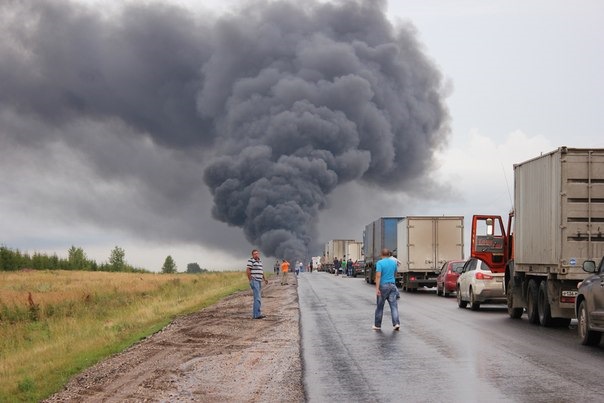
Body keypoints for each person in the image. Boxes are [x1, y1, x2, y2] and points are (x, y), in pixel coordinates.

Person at [373, 248, 401, 331]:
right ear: (389, 254)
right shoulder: (393, 263)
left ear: (381, 254)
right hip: (392, 286)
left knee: (380, 307)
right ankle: (396, 323)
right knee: (394, 306)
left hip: (383, 286)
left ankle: (377, 325)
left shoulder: (380, 263)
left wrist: (377, 289)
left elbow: (378, 276)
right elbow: (395, 273)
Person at [247, 249, 268, 320]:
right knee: (258, 298)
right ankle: (257, 315)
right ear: (252, 255)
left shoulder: (260, 261)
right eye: (254, 254)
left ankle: (255, 315)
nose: (256, 255)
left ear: (258, 254)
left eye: (257, 253)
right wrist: (250, 280)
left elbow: (261, 271)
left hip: (259, 281)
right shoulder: (251, 260)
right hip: (254, 280)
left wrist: (264, 279)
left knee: (256, 298)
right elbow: (248, 270)